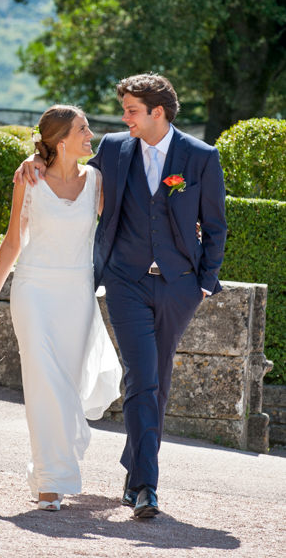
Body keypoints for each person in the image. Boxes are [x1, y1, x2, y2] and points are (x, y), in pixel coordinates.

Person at [15, 74, 227, 518]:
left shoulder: (201, 157)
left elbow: (215, 224)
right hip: (125, 281)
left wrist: (204, 281)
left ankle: (134, 468)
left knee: (157, 380)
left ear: (158, 112)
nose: (124, 117)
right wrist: (32, 163)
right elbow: (65, 172)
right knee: (143, 374)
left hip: (178, 285)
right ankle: (147, 487)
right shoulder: (112, 149)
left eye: (132, 110)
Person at [0, 106, 122, 511]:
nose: (91, 134)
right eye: (83, 129)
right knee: (44, 383)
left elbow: (124, 227)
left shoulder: (97, 182)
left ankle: (52, 471)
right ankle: (50, 483)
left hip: (77, 294)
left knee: (67, 386)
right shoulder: (30, 179)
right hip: (33, 291)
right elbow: (12, 241)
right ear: (61, 141)